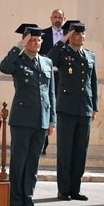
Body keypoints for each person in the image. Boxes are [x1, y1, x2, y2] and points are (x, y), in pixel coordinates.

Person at [0, 24, 56, 206]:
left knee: (33, 163)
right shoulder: (18, 60)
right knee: (19, 162)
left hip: (41, 119)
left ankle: (28, 199)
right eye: (33, 40)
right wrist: (18, 46)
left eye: (39, 40)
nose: (37, 43)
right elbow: (3, 67)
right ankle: (16, 202)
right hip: (22, 120)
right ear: (25, 41)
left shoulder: (47, 62)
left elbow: (51, 94)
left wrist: (52, 120)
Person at [46, 20, 98, 201]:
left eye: (83, 34)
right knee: (65, 151)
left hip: (85, 108)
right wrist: (63, 39)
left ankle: (75, 188)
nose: (81, 37)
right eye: (77, 33)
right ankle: (64, 189)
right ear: (70, 36)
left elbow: (93, 83)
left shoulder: (90, 56)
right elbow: (48, 59)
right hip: (66, 108)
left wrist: (94, 106)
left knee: (80, 151)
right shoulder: (63, 53)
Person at [40, 9, 66, 154]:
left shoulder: (69, 35)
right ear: (51, 18)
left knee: (61, 108)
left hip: (63, 77)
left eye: (60, 17)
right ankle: (43, 143)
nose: (57, 20)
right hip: (48, 75)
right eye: (55, 17)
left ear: (64, 18)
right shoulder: (43, 34)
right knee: (46, 106)